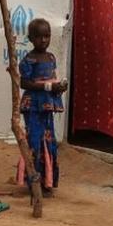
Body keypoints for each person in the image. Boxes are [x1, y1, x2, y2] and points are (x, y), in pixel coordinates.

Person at [17, 19, 67, 197]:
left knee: (49, 141)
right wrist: (48, 87)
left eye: (47, 36)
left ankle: (48, 180)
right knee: (35, 142)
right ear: (30, 38)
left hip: (47, 105)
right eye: (39, 37)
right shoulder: (29, 60)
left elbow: (51, 80)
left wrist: (58, 87)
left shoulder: (51, 57)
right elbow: (24, 82)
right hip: (33, 106)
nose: (43, 40)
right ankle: (34, 183)